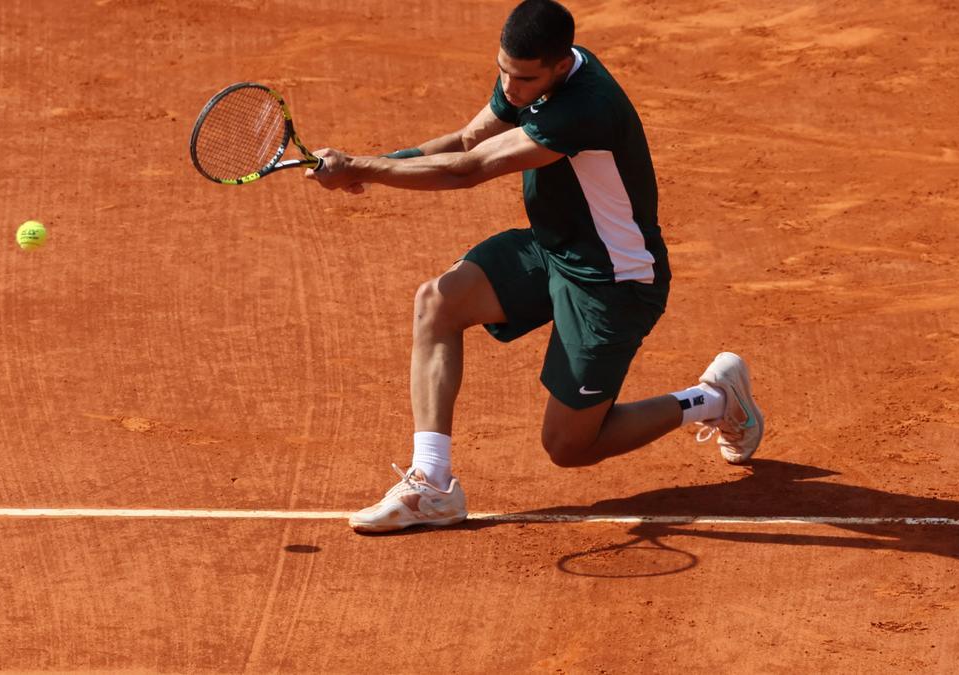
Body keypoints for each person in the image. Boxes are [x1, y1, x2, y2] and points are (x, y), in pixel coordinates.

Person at [305, 0, 764, 533]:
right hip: (553, 250)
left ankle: (713, 398)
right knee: (439, 301)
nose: (510, 87)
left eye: (524, 78)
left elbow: (469, 170)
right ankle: (432, 486)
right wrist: (376, 164)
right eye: (503, 71)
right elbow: (466, 140)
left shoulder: (583, 107)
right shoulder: (531, 75)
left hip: (612, 282)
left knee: (569, 446)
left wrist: (364, 168)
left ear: (561, 66)